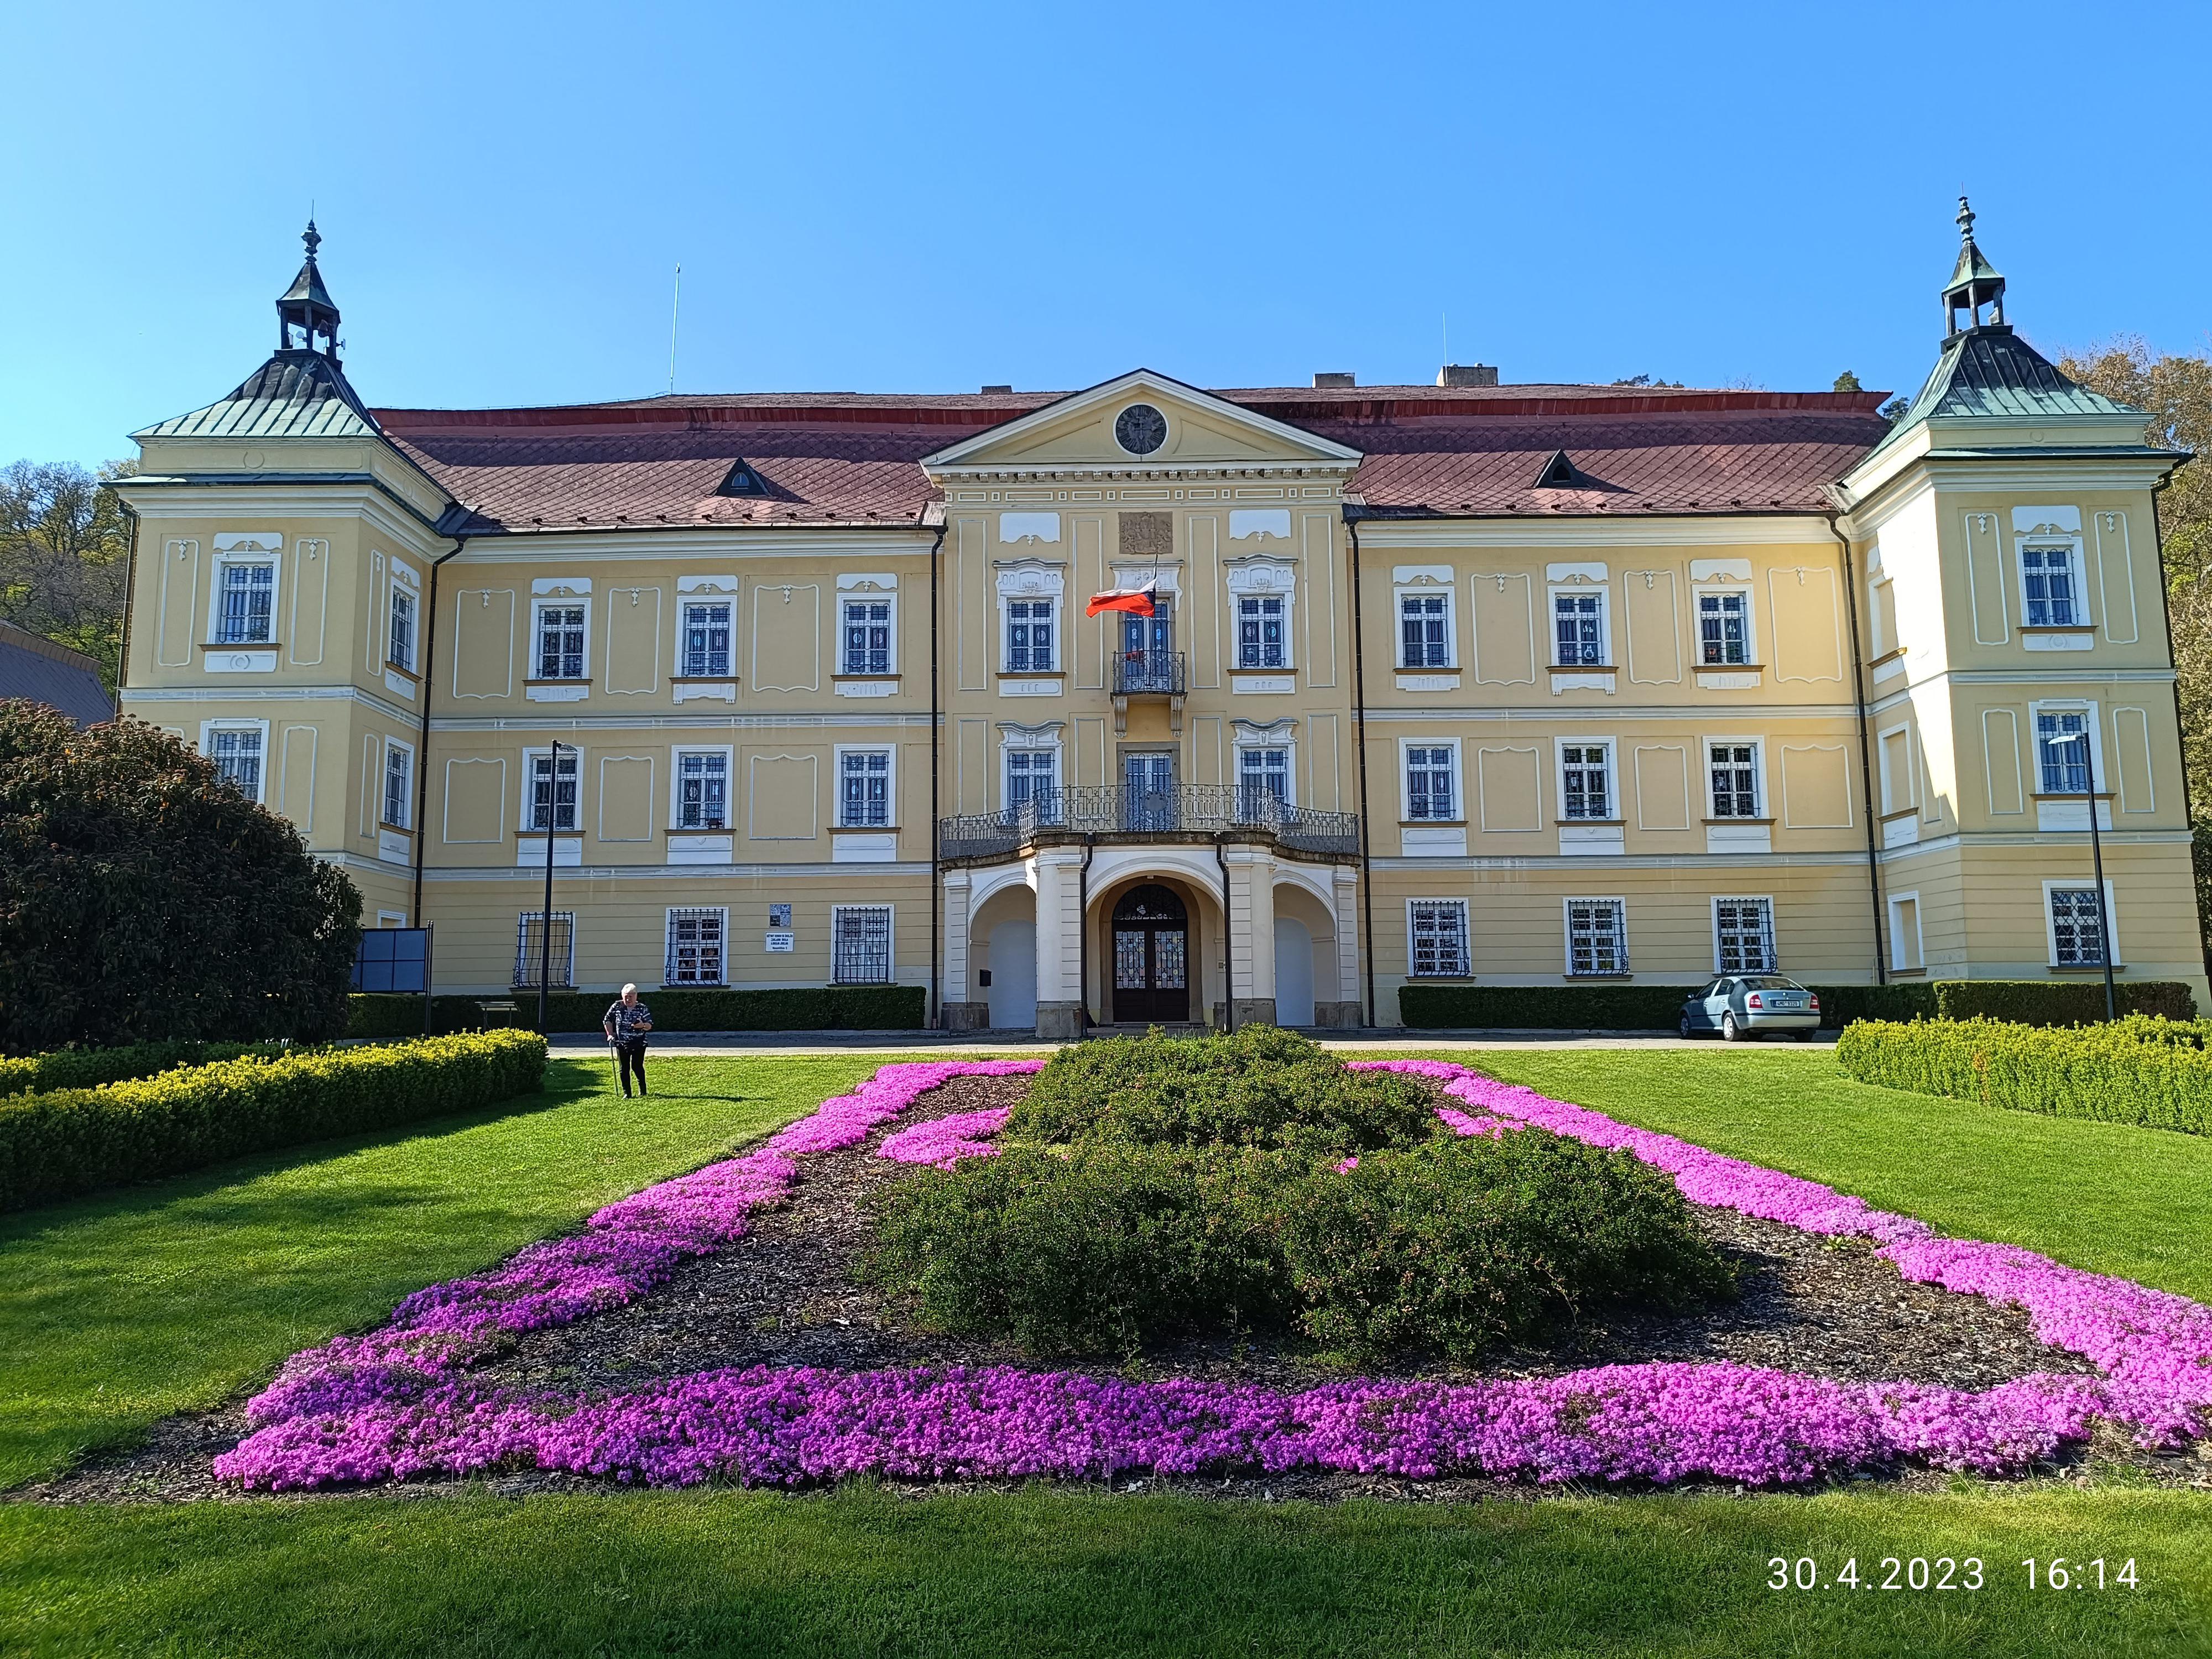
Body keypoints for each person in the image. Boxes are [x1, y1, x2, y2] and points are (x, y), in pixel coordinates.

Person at [603, 983, 654, 1097]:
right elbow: (607, 1020)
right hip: (621, 1043)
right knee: (624, 1068)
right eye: (626, 996)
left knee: (637, 1066)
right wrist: (610, 1034)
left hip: (639, 1043)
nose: (628, 999)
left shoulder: (642, 1008)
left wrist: (642, 1025)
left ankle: (643, 1091)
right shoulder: (617, 1006)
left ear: (636, 996)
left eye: (630, 996)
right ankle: (627, 1093)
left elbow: (650, 1025)